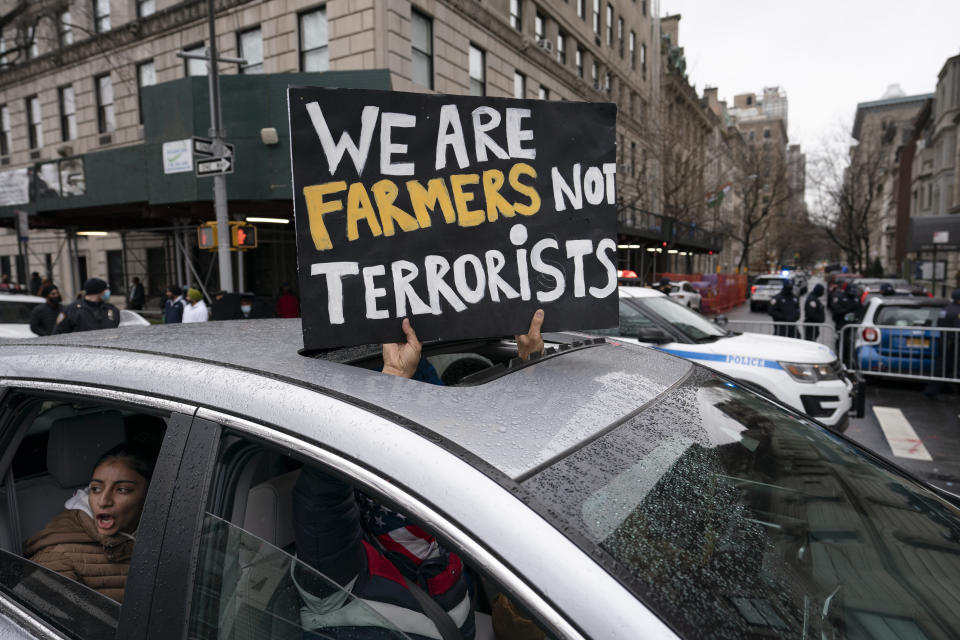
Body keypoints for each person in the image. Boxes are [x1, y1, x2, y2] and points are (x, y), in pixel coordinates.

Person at [293, 311, 545, 640]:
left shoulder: (448, 540)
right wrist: (390, 381)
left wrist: (529, 364)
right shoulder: (339, 575)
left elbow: (489, 452)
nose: (428, 466)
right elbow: (322, 490)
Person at [24, 442, 156, 603]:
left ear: (150, 494)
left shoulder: (170, 534)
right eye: (96, 488)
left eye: (122, 490)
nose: (103, 501)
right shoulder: (57, 558)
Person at [925, 288, 960, 399]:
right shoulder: (958, 312)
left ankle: (931, 391)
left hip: (944, 342)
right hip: (955, 344)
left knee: (941, 368)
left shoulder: (945, 310)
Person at [53, 278, 120, 334]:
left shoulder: (111, 309)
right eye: (106, 289)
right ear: (100, 291)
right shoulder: (72, 309)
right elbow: (58, 334)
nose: (108, 292)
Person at [830, 284, 863, 366]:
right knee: (842, 340)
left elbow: (860, 309)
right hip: (841, 323)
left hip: (852, 324)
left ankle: (848, 359)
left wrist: (855, 315)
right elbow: (835, 308)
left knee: (850, 342)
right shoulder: (840, 297)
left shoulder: (856, 298)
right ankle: (840, 356)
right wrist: (846, 312)